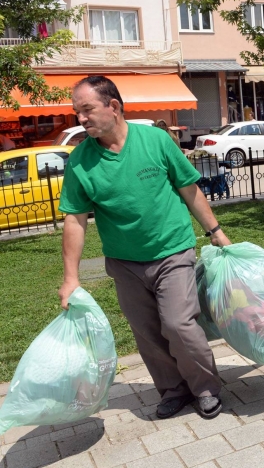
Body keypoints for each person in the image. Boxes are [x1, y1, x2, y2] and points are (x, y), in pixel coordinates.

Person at [57, 76, 231, 421]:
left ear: (114, 107)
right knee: (148, 332)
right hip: (124, 262)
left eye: (87, 110)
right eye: (77, 112)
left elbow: (189, 189)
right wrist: (71, 278)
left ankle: (205, 387)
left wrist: (215, 231)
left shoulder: (154, 140)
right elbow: (75, 221)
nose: (81, 118)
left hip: (172, 250)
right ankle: (173, 389)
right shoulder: (80, 161)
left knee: (179, 324)